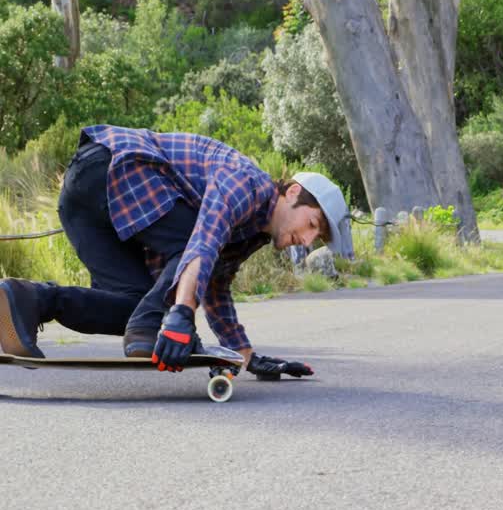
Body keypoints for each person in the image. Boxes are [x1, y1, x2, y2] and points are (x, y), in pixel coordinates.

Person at [0, 125, 355, 377]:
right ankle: (149, 325)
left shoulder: (251, 234)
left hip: (85, 201)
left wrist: (245, 358)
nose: (307, 241)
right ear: (292, 193)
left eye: (316, 238)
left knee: (136, 304)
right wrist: (181, 313)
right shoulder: (248, 182)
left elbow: (214, 285)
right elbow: (203, 239)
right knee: (165, 301)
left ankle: (30, 299)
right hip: (110, 166)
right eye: (312, 225)